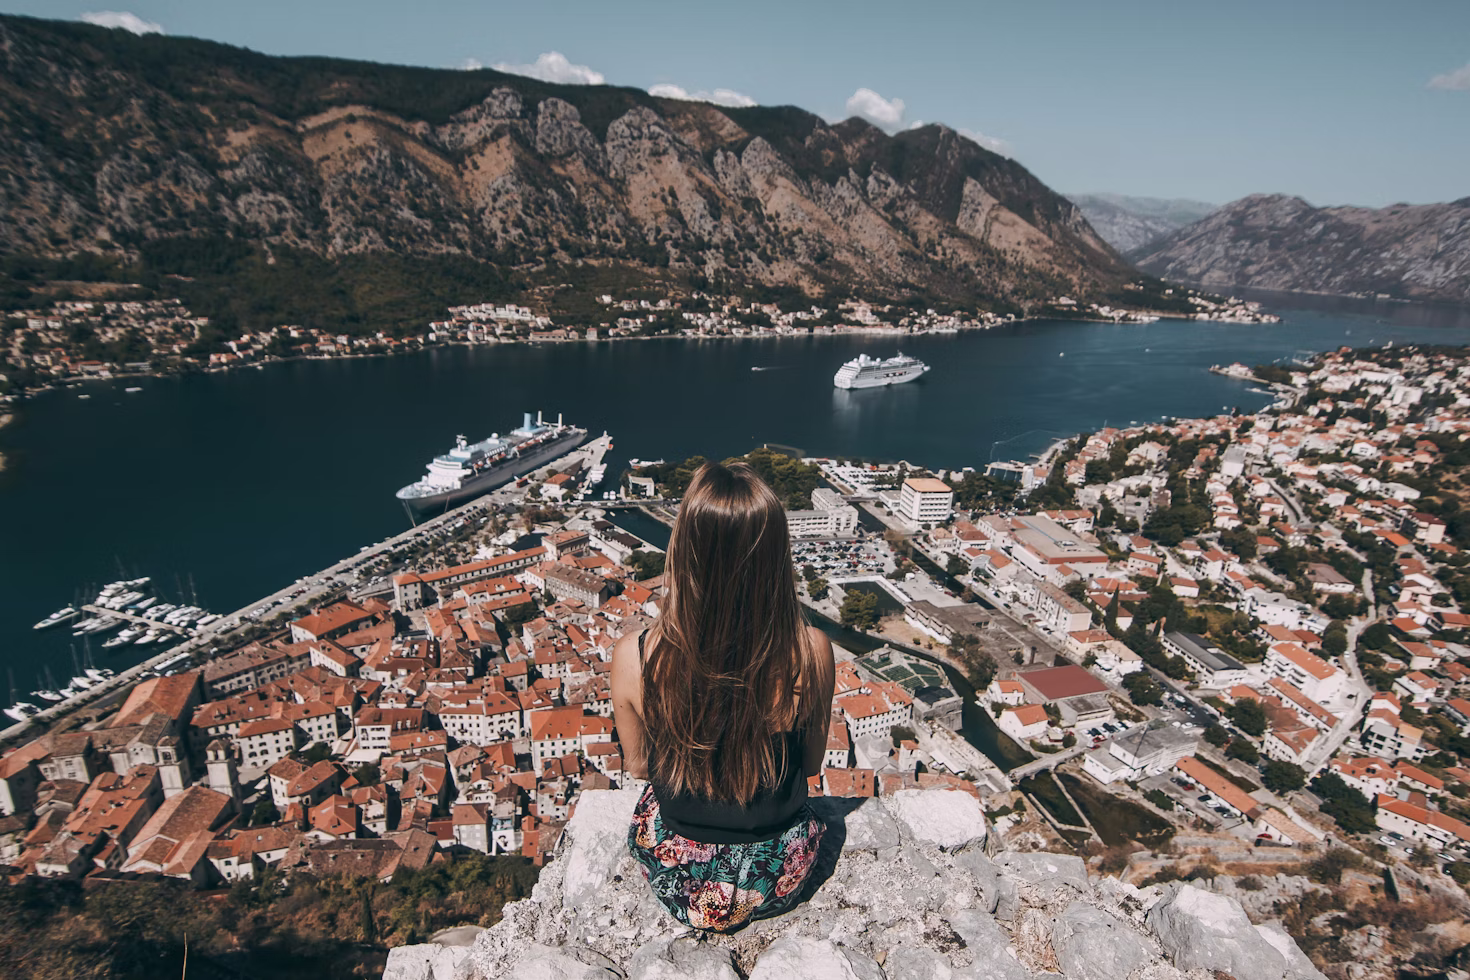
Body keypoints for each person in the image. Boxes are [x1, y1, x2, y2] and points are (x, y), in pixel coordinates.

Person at [611, 461, 837, 933]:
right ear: (776, 556)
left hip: (680, 874)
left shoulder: (636, 657)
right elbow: (812, 765)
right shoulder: (811, 652)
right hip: (776, 874)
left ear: (684, 550)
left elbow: (637, 767)